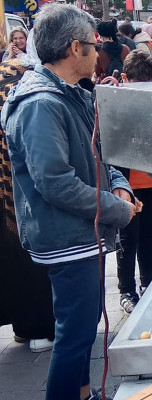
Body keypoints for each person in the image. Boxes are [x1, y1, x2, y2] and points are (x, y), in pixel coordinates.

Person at [2, 4, 140, 400]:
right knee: (76, 331)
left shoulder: (71, 92)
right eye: (94, 44)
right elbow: (54, 182)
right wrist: (116, 208)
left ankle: (81, 398)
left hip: (85, 230)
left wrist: (120, 185)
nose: (101, 52)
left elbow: (100, 152)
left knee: (80, 326)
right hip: (65, 237)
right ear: (74, 47)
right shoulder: (41, 103)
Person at [0, 43, 56, 354]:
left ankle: (22, 328)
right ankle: (40, 329)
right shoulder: (26, 91)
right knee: (31, 262)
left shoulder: (8, 81)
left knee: (11, 265)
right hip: (19, 192)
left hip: (5, 194)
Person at [113, 50, 152, 314]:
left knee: (148, 235)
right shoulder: (115, 103)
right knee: (128, 238)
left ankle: (150, 282)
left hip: (151, 182)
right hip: (126, 185)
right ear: (124, 79)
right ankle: (126, 290)